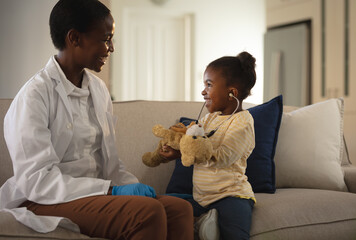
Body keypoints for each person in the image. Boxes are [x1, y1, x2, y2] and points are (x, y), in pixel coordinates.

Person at [0, 0, 194, 239]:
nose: (111, 48)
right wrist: (112, 191)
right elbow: (36, 181)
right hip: (42, 198)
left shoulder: (98, 90)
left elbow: (110, 164)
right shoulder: (34, 95)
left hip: (94, 195)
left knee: (180, 210)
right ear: (74, 38)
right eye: (105, 39)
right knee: (147, 213)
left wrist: (134, 188)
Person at [160, 52, 257, 240]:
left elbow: (223, 157)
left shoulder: (243, 122)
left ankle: (208, 224)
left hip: (231, 196)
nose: (203, 91)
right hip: (201, 198)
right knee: (164, 205)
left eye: (209, 85)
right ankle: (203, 222)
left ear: (232, 93)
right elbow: (191, 145)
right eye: (204, 85)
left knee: (235, 235)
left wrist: (194, 148)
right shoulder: (209, 118)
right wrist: (177, 151)